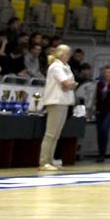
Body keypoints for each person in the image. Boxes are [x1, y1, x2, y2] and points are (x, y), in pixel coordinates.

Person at [38, 42, 76, 171]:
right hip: (55, 102)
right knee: (50, 134)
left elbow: (70, 84)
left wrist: (70, 84)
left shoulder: (66, 67)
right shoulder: (56, 67)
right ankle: (44, 161)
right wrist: (71, 84)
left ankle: (50, 160)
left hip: (64, 102)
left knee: (56, 135)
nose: (69, 56)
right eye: (68, 54)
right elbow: (66, 83)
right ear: (62, 54)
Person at [94, 66, 110, 163]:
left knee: (104, 128)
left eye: (109, 72)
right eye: (105, 72)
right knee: (99, 131)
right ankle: (100, 152)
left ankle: (103, 152)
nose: (107, 74)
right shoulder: (99, 84)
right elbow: (94, 96)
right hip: (100, 109)